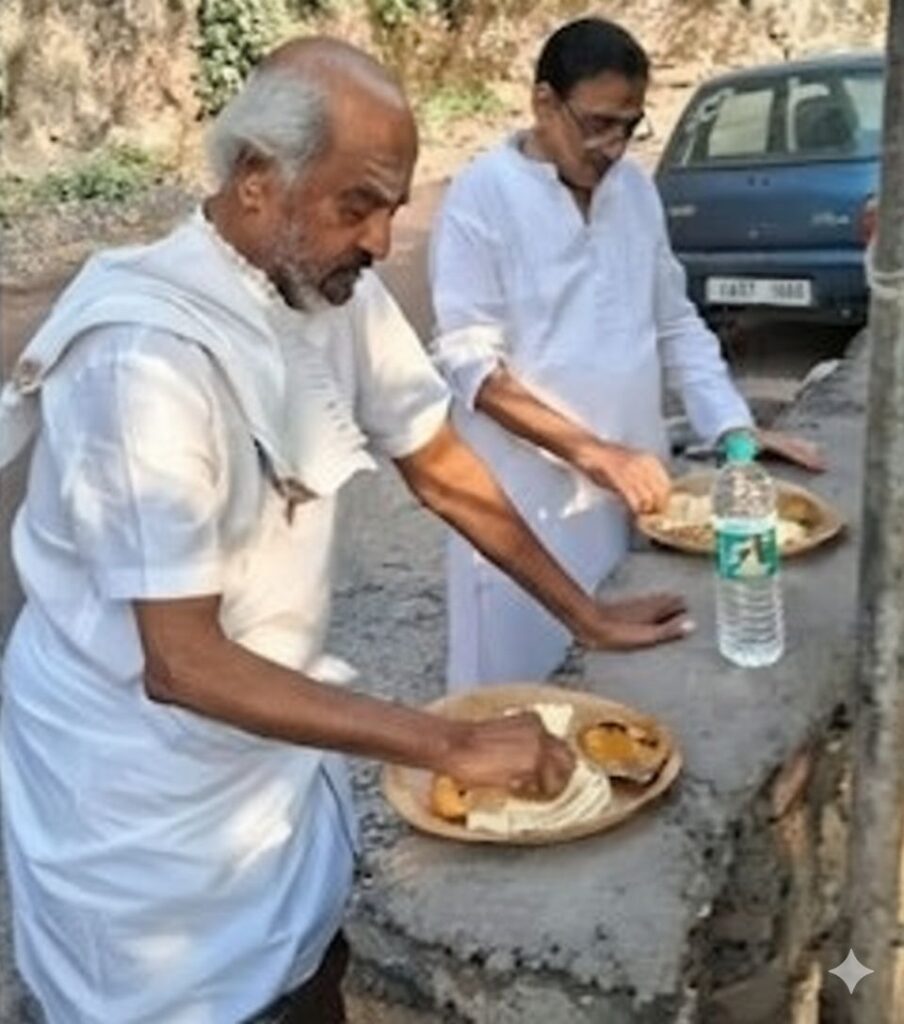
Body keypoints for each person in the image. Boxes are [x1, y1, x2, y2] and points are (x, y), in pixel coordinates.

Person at [0, 38, 693, 1024]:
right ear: (256, 179)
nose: (381, 239)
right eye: (357, 205)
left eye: (393, 207)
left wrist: (586, 615)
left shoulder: (328, 288)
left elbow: (442, 465)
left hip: (274, 758)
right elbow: (182, 663)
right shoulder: (141, 359)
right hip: (140, 806)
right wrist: (446, 742)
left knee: (314, 971)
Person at [429, 16, 824, 691]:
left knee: (623, 687)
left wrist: (733, 427)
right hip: (523, 507)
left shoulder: (634, 191)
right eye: (597, 124)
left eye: (629, 126)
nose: (612, 145)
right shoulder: (481, 195)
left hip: (632, 493)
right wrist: (592, 451)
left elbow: (674, 321)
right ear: (544, 102)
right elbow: (471, 365)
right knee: (524, 699)